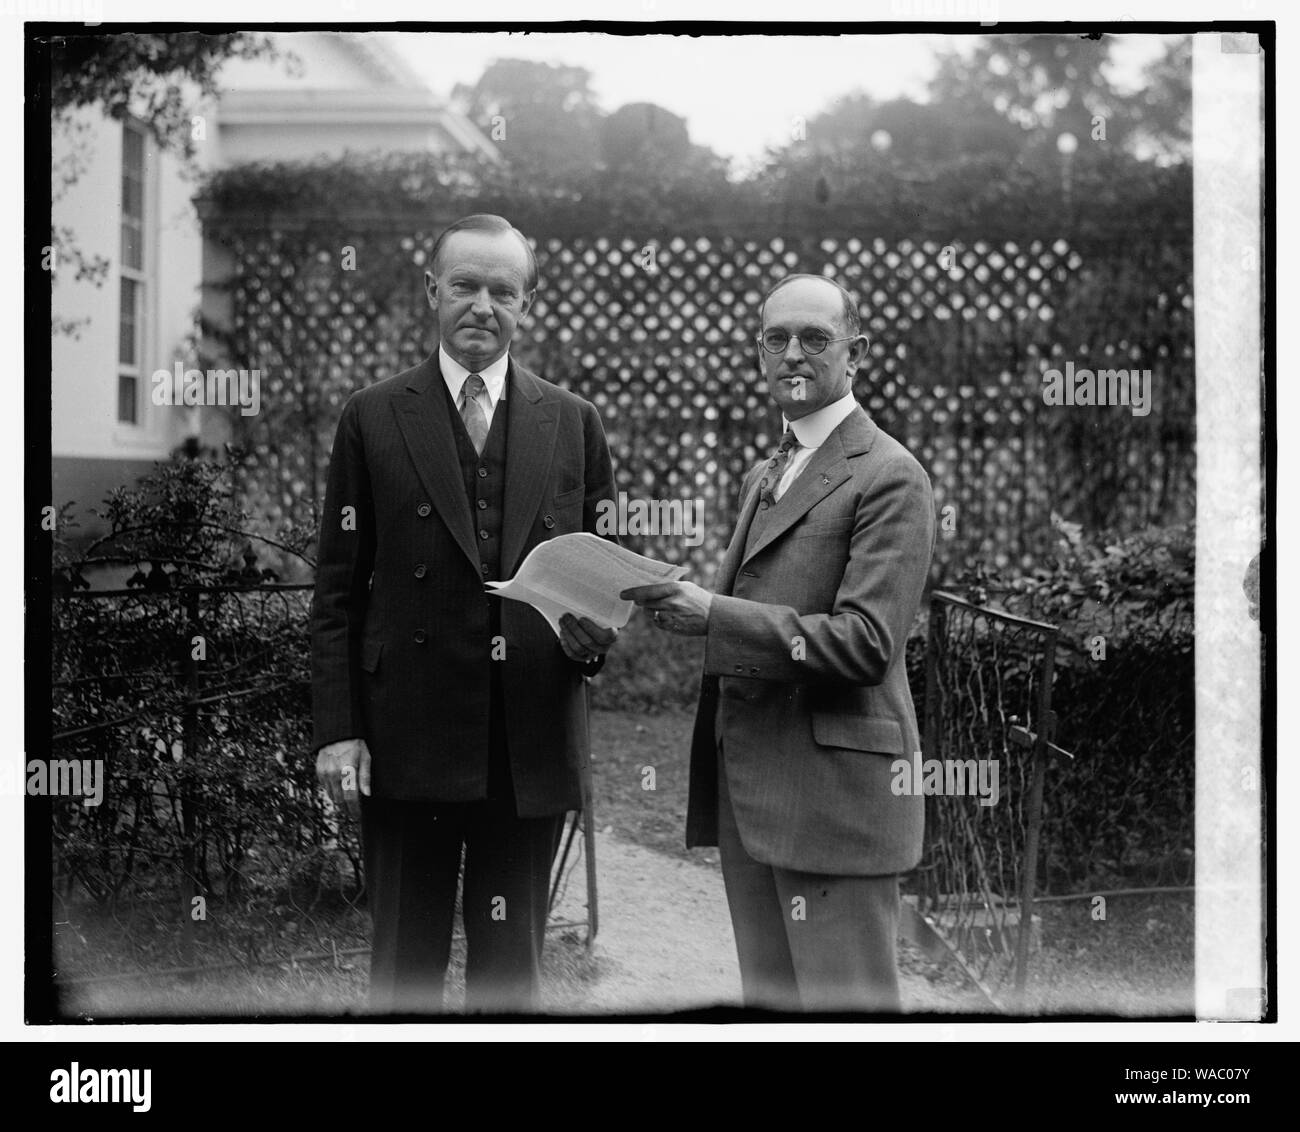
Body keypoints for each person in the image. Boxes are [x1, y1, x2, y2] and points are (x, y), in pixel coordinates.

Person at [310, 214, 618, 1013]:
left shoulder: (573, 421)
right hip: (406, 735)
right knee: (403, 971)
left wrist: (592, 639)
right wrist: (340, 729)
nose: (483, 305)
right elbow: (338, 589)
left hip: (528, 740)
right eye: (466, 286)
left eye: (503, 291)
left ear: (528, 303)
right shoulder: (373, 415)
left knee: (511, 977)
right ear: (432, 292)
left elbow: (604, 582)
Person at [623, 274, 935, 1012]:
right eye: (776, 338)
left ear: (856, 352)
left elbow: (866, 644)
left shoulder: (891, 475)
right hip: (753, 792)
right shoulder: (766, 472)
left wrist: (715, 615)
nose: (793, 353)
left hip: (835, 802)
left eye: (815, 338)